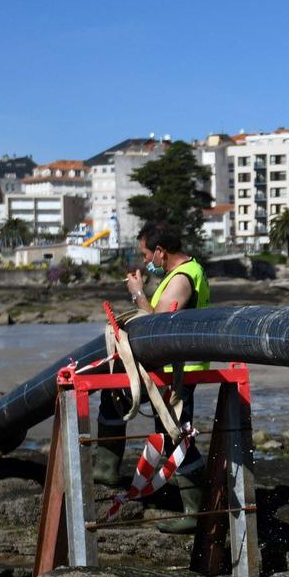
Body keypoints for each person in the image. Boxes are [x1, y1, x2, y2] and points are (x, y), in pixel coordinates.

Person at [97, 221, 211, 532]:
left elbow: (156, 325)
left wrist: (136, 294)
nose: (146, 260)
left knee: (174, 432)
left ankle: (195, 510)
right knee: (116, 398)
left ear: (161, 252)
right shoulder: (179, 274)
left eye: (147, 254)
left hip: (179, 371)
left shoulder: (184, 278)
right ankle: (104, 470)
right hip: (168, 368)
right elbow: (157, 317)